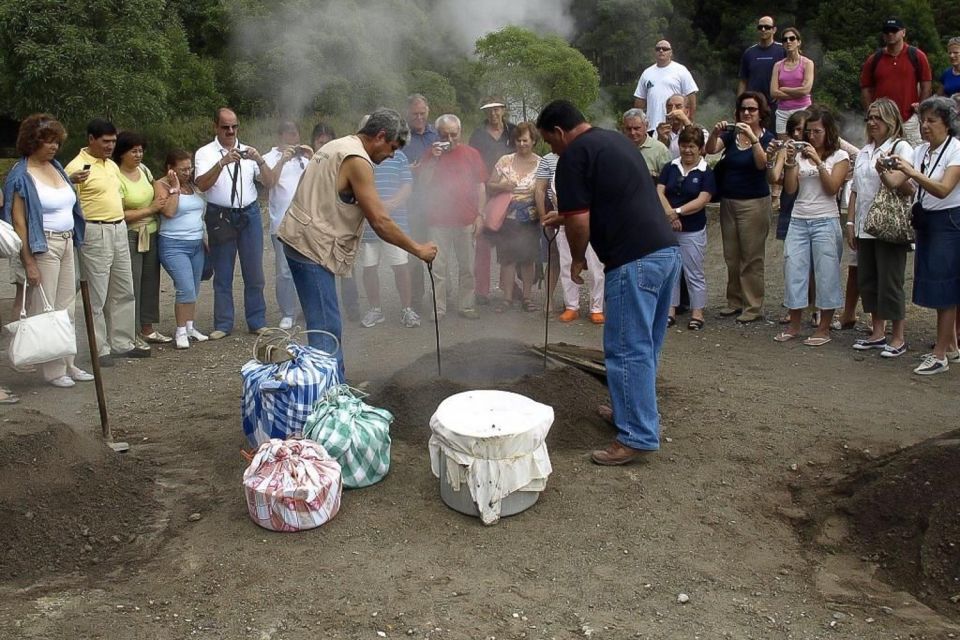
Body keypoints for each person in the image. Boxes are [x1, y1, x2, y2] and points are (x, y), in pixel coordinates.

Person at [536, 99, 680, 466]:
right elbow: (609, 199)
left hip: (633, 260)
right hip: (665, 252)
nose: (552, 150)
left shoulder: (572, 156)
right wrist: (564, 214)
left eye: (550, 143)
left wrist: (579, 260)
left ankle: (636, 437)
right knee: (645, 346)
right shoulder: (616, 142)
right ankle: (629, 413)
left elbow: (580, 222)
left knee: (626, 348)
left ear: (558, 131)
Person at [276, 108, 437, 380]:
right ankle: (330, 397)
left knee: (323, 324)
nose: (392, 155)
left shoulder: (335, 146)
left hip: (300, 238)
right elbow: (380, 221)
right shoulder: (357, 160)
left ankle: (329, 385)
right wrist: (418, 249)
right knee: (327, 327)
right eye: (393, 147)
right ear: (381, 136)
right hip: (311, 246)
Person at [3, 113, 92, 387]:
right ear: (32, 142)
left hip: (66, 241)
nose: (53, 146)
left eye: (56, 141)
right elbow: (18, 221)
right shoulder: (21, 174)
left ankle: (68, 362)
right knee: (47, 308)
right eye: (47, 141)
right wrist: (28, 261)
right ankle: (53, 370)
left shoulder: (56, 166)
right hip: (44, 246)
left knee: (67, 307)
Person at [885, 97, 960, 374]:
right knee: (935, 283)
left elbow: (943, 189)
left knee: (945, 287)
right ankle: (950, 347)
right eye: (922, 120)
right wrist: (885, 169)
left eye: (931, 121)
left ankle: (939, 355)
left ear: (947, 124)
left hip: (950, 221)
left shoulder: (956, 151)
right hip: (927, 221)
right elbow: (898, 184)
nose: (925, 126)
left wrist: (911, 171)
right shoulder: (921, 152)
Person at [64, 118, 149, 364]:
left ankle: (122, 342)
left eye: (113, 141)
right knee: (97, 293)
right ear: (91, 139)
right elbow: (69, 205)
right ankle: (98, 347)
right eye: (105, 141)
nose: (110, 146)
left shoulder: (110, 165)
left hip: (118, 227)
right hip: (95, 230)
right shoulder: (76, 167)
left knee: (124, 287)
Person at [194, 107, 272, 339]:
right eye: (225, 127)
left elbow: (269, 182)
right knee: (223, 271)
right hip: (221, 215)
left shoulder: (248, 151)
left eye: (234, 126)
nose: (230, 131)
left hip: (249, 213)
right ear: (215, 127)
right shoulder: (205, 153)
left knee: (254, 271)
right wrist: (222, 163)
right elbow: (201, 185)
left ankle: (257, 320)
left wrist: (260, 161)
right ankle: (223, 323)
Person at [775, 105, 850, 346]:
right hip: (799, 218)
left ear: (828, 132)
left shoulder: (840, 157)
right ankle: (794, 324)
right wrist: (789, 162)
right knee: (793, 269)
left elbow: (831, 189)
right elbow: (789, 189)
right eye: (808, 131)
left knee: (826, 272)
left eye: (817, 131)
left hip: (825, 219)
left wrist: (818, 161)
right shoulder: (798, 154)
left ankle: (824, 328)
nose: (811, 136)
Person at [846, 98, 914, 358]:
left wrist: (884, 171)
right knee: (869, 279)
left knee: (890, 279)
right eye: (870, 117)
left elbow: (904, 184)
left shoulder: (901, 147)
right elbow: (854, 191)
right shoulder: (864, 151)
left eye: (878, 117)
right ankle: (877, 331)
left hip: (889, 225)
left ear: (891, 120)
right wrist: (851, 223)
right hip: (865, 225)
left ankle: (898, 336)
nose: (872, 122)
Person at [705, 92, 775, 323]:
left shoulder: (767, 138)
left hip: (754, 203)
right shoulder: (731, 134)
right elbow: (710, 150)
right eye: (743, 109)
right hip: (729, 201)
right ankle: (734, 300)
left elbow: (761, 164)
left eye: (752, 109)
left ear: (761, 113)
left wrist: (753, 139)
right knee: (732, 255)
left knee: (751, 257)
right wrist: (715, 132)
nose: (747, 113)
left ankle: (753, 305)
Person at [420, 113, 487, 321]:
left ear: (461, 133)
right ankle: (438, 309)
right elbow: (422, 183)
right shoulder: (430, 154)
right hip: (438, 220)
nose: (449, 140)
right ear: (437, 134)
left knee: (467, 267)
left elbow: (481, 186)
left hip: (466, 219)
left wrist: (480, 215)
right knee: (438, 268)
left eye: (454, 135)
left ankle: (466, 306)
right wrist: (434, 159)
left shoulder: (472, 154)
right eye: (444, 135)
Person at [356, 116, 418, 329]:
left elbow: (408, 186)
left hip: (395, 222)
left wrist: (390, 204)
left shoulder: (398, 156)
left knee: (401, 267)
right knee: (369, 268)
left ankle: (407, 310)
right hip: (367, 225)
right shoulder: (359, 158)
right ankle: (375, 310)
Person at [657, 126, 716, 330]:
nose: (687, 151)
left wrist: (677, 212)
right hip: (669, 228)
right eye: (683, 146)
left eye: (691, 146)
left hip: (692, 229)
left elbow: (702, 200)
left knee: (694, 272)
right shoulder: (670, 167)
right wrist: (670, 214)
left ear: (700, 148)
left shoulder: (706, 172)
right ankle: (670, 310)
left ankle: (697, 312)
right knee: (670, 271)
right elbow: (660, 192)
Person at [114, 131, 169, 349]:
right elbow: (119, 213)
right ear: (122, 153)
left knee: (150, 281)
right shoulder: (116, 175)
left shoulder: (144, 170)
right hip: (131, 233)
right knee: (131, 283)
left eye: (140, 150)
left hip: (151, 232)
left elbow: (157, 192)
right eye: (133, 151)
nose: (138, 155)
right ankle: (130, 330)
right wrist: (151, 209)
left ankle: (147, 327)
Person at [261, 121, 314, 329]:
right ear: (280, 136)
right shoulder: (269, 157)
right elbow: (269, 183)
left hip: (307, 222)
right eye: (289, 134)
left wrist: (313, 157)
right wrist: (283, 159)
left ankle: (308, 309)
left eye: (296, 134)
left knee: (309, 267)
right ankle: (288, 313)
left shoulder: (306, 157)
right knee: (284, 270)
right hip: (281, 223)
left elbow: (322, 179)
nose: (294, 138)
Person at [155, 150, 209, 350]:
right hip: (173, 243)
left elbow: (200, 214)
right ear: (170, 169)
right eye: (183, 169)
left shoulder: (193, 186)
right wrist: (175, 187)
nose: (188, 172)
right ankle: (179, 331)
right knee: (184, 287)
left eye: (190, 168)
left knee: (193, 288)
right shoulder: (161, 185)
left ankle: (189, 326)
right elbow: (169, 212)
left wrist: (205, 238)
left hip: (196, 243)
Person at [486, 122, 542, 313]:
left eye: (525, 140)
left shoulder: (541, 164)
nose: (521, 144)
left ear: (533, 141)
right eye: (518, 140)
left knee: (528, 259)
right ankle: (507, 299)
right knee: (507, 259)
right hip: (507, 218)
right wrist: (503, 187)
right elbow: (489, 185)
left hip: (531, 218)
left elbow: (544, 192)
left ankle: (527, 298)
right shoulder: (504, 161)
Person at [469, 97, 515, 305]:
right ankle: (482, 291)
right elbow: (471, 161)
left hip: (510, 192)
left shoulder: (513, 132)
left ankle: (509, 288)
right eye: (489, 110)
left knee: (510, 239)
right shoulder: (478, 135)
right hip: (485, 190)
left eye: (497, 109)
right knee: (483, 241)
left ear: (503, 110)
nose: (493, 114)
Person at [860, 18, 932, 146]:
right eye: (887, 31)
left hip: (908, 118)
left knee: (913, 155)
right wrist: (870, 113)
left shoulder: (917, 56)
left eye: (894, 30)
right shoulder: (874, 59)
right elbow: (866, 88)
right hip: (881, 120)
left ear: (903, 32)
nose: (890, 34)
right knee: (881, 154)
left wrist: (921, 107)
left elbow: (926, 84)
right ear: (883, 35)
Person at [313, 124, 360, 322]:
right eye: (320, 142)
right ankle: (320, 310)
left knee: (346, 269)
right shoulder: (309, 163)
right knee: (318, 270)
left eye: (328, 142)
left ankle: (352, 308)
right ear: (313, 143)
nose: (324, 146)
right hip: (315, 226)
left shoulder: (343, 163)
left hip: (339, 225)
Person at [404, 94, 439, 314]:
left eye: (422, 113)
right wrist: (410, 170)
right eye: (415, 114)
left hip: (438, 201)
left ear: (428, 111)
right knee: (415, 251)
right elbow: (391, 165)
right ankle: (416, 299)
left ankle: (439, 297)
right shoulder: (401, 136)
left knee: (438, 250)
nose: (419, 117)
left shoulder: (437, 133)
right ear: (408, 113)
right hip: (412, 203)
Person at [633, 40, 699, 131]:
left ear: (671, 52)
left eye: (665, 49)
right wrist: (638, 122)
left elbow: (691, 96)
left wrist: (689, 120)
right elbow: (640, 99)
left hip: (675, 127)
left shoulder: (681, 70)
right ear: (654, 52)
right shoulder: (647, 73)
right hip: (651, 127)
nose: (661, 51)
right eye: (658, 49)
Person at [770, 28, 814, 138]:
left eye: (792, 38)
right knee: (783, 146)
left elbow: (806, 90)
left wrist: (784, 89)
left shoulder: (807, 63)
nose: (788, 41)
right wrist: (797, 92)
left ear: (798, 42)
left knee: (804, 141)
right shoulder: (778, 65)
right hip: (783, 112)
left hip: (803, 109)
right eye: (785, 40)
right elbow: (774, 92)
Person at [738, 15, 785, 115]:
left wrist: (782, 94)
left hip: (776, 105)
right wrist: (739, 105)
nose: (763, 29)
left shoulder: (782, 50)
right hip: (753, 106)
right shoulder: (749, 52)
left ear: (774, 30)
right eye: (760, 27)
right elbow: (743, 81)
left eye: (767, 27)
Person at [621, 108, 671, 179]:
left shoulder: (660, 150)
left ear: (646, 126)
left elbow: (668, 178)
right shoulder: (619, 148)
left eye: (636, 128)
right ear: (623, 129)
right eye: (629, 129)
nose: (632, 133)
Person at [656, 94, 709, 160]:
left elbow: (702, 151)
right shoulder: (660, 131)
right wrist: (661, 141)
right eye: (669, 107)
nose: (673, 110)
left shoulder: (701, 131)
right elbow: (655, 157)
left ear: (687, 112)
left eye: (678, 107)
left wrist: (686, 122)